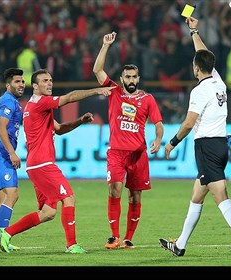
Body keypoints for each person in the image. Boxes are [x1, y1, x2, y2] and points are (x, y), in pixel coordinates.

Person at [158, 16, 231, 258]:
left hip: (207, 147)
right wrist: (194, 32)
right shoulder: (218, 81)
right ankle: (180, 245)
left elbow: (189, 123)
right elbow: (204, 55)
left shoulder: (199, 91)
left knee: (220, 196)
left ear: (195, 68)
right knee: (197, 195)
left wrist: (172, 142)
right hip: (221, 143)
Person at [0, 69, 114, 254]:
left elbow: (58, 129)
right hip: (43, 164)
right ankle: (72, 245)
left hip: (36, 165)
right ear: (35, 86)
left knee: (48, 212)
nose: (49, 83)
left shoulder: (37, 106)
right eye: (44, 81)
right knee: (69, 198)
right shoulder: (40, 102)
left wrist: (79, 121)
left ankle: (6, 233)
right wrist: (96, 91)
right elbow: (69, 98)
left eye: (51, 80)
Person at [93, 32, 164, 249]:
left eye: (134, 77)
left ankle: (128, 238)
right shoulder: (114, 92)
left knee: (135, 196)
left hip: (138, 154)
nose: (131, 80)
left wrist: (158, 139)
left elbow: (158, 124)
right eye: (128, 77)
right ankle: (114, 237)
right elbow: (97, 70)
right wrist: (105, 45)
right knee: (115, 188)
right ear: (122, 79)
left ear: (138, 79)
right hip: (116, 152)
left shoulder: (148, 99)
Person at [0, 68, 25, 252]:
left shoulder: (11, 101)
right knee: (12, 194)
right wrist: (12, 153)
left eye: (22, 81)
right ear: (8, 85)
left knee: (1, 198)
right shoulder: (8, 101)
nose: (21, 85)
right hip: (1, 152)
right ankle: (3, 238)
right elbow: (2, 128)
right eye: (17, 82)